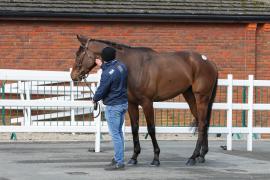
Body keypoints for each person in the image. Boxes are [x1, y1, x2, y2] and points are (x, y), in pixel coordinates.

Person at [93, 47, 128, 171]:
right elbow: (113, 72)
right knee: (119, 133)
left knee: (115, 135)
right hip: (123, 103)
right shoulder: (121, 66)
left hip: (113, 106)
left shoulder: (107, 74)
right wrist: (102, 65)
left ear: (104, 58)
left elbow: (102, 89)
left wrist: (95, 98)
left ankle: (119, 162)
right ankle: (118, 157)